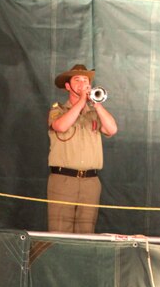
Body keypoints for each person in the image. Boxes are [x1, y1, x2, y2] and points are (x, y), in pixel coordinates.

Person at [47, 63, 118, 233]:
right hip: (63, 180)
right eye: (77, 80)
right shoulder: (58, 110)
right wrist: (80, 102)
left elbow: (112, 129)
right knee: (59, 231)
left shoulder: (94, 112)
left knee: (86, 231)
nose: (82, 83)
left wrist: (97, 104)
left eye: (85, 80)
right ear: (67, 86)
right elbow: (61, 126)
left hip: (90, 182)